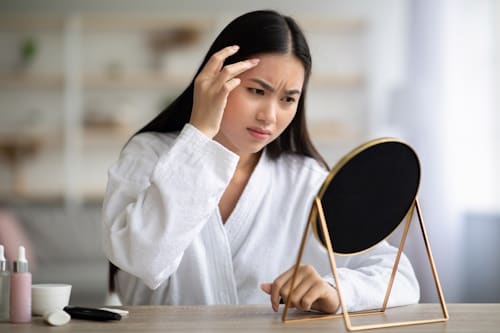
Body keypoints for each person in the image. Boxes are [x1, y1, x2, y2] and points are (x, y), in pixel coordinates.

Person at [101, 9, 419, 313]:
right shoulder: (148, 155)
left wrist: (335, 290)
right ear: (215, 80)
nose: (269, 116)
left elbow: (400, 277)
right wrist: (199, 135)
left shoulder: (304, 179)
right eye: (256, 90)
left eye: (288, 99)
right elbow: (143, 259)